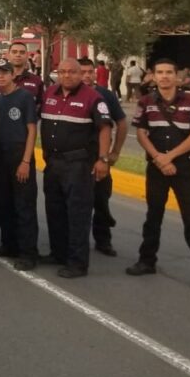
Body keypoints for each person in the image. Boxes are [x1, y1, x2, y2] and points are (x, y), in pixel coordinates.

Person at [126, 59, 190, 293]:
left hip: (184, 168)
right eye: (160, 72)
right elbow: (142, 133)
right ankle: (147, 261)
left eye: (168, 73)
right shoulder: (146, 102)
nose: (164, 76)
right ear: (153, 76)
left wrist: (169, 157)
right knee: (153, 216)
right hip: (156, 168)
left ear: (178, 77)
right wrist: (158, 158)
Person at [39, 58, 113, 279]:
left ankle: (78, 263)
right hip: (53, 163)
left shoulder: (93, 98)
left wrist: (103, 159)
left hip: (78, 165)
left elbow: (105, 129)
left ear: (81, 74)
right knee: (55, 211)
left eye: (72, 72)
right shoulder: (50, 93)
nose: (66, 76)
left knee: (78, 214)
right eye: (62, 72)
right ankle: (58, 253)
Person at [0, 60, 38, 271]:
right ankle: (9, 245)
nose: (0, 77)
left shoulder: (25, 97)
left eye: (4, 73)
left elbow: (32, 130)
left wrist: (26, 161)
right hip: (0, 157)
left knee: (23, 206)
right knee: (4, 205)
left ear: (12, 75)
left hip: (19, 156)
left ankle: (28, 253)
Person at [78, 58, 128, 257]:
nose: (87, 75)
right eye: (82, 72)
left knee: (101, 200)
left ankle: (103, 240)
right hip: (77, 159)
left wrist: (114, 152)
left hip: (99, 157)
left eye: (90, 71)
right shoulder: (66, 93)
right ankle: (73, 242)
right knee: (76, 203)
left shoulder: (105, 95)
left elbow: (122, 123)